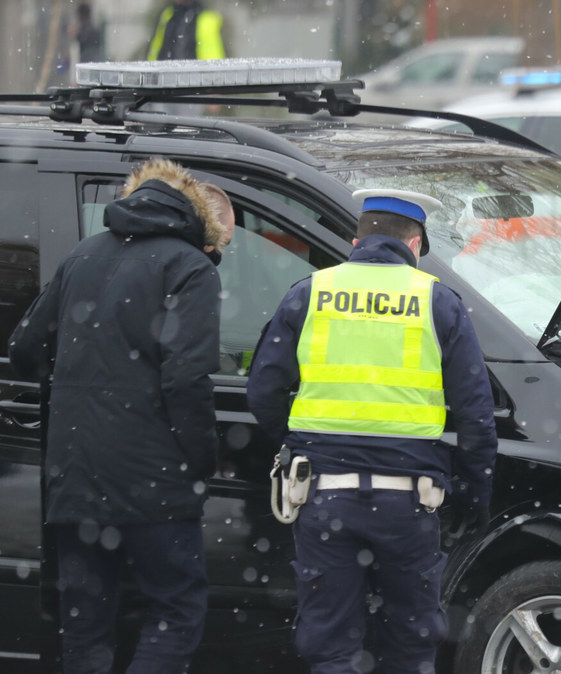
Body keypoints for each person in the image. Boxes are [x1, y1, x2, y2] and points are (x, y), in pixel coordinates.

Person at [246, 189, 498, 674]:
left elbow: (263, 392)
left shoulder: (310, 292)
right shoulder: (438, 301)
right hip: (409, 502)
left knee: (331, 647)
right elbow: (476, 416)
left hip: (323, 497)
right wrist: (472, 495)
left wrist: (303, 444)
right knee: (409, 644)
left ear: (354, 241)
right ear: (416, 244)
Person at [7, 158, 232, 674]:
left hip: (75, 476)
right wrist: (202, 459)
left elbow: (24, 348)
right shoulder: (188, 267)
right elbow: (186, 379)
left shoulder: (83, 255)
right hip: (152, 481)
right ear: (203, 222)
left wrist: (76, 391)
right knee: (176, 611)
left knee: (85, 626)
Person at [147, 0, 226, 61]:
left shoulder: (206, 19)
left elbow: (211, 58)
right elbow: (155, 50)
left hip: (192, 78)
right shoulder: (168, 15)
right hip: (165, 77)